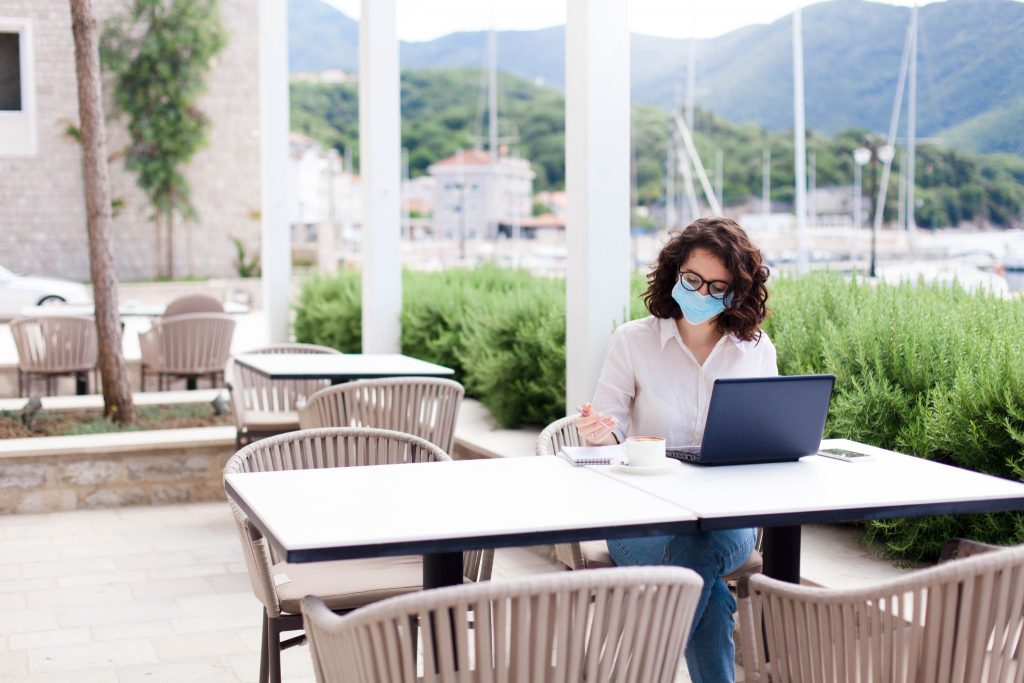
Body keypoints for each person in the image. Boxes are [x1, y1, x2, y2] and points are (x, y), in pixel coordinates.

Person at [576, 217, 776, 683]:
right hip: (640, 519)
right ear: (673, 274)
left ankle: (642, 669)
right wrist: (599, 432)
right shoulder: (633, 341)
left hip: (730, 520)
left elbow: (768, 439)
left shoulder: (755, 350)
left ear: (737, 293)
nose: (702, 293)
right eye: (693, 279)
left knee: (698, 551)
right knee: (703, 576)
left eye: (718, 286)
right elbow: (609, 434)